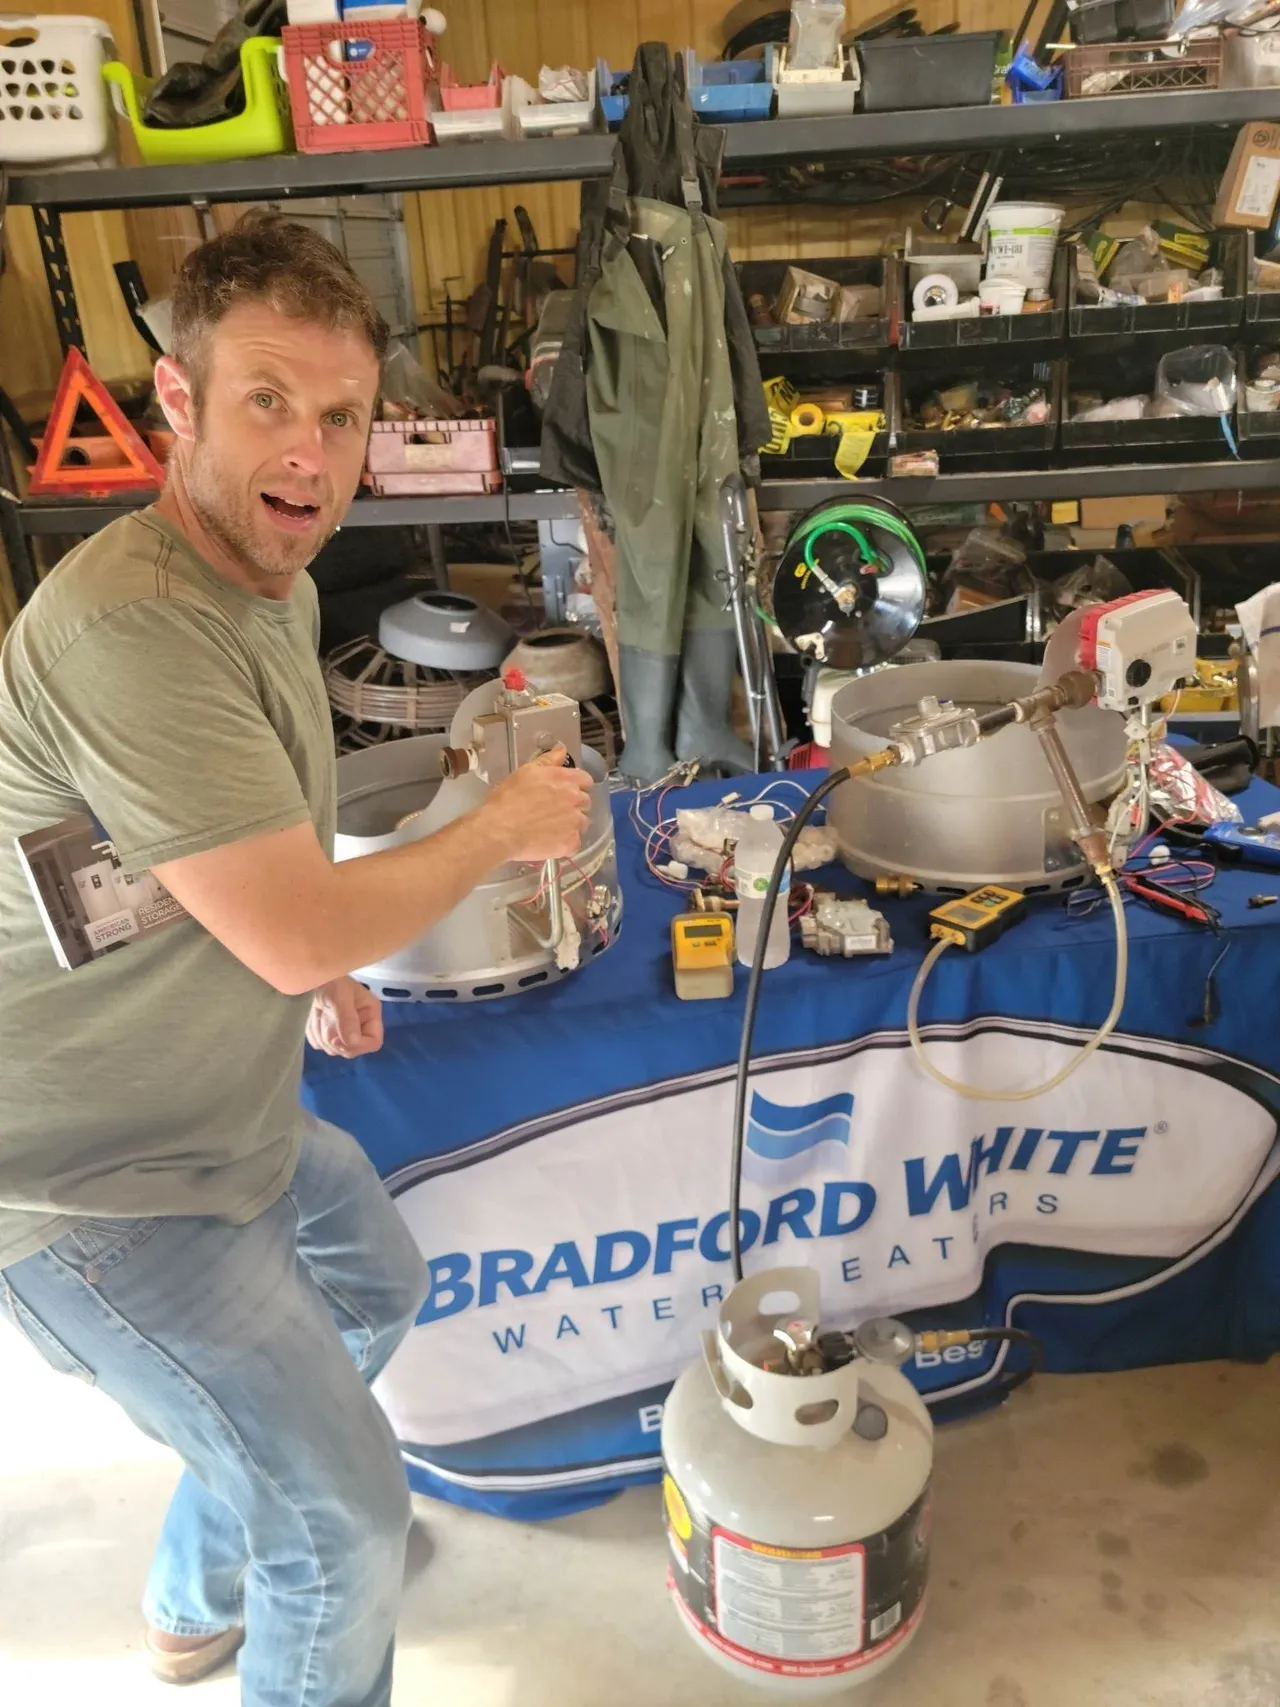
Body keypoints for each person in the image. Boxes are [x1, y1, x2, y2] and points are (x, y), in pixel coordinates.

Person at [0, 211, 592, 1707]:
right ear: (179, 404)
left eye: (342, 415)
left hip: (225, 1113)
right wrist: (501, 822)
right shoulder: (132, 625)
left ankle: (200, 1595)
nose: (313, 454)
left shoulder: (268, 581)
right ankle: (283, 1568)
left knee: (375, 1286)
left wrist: (310, 965)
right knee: (346, 1519)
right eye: (269, 399)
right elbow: (290, 911)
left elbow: (254, 849)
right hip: (85, 1183)